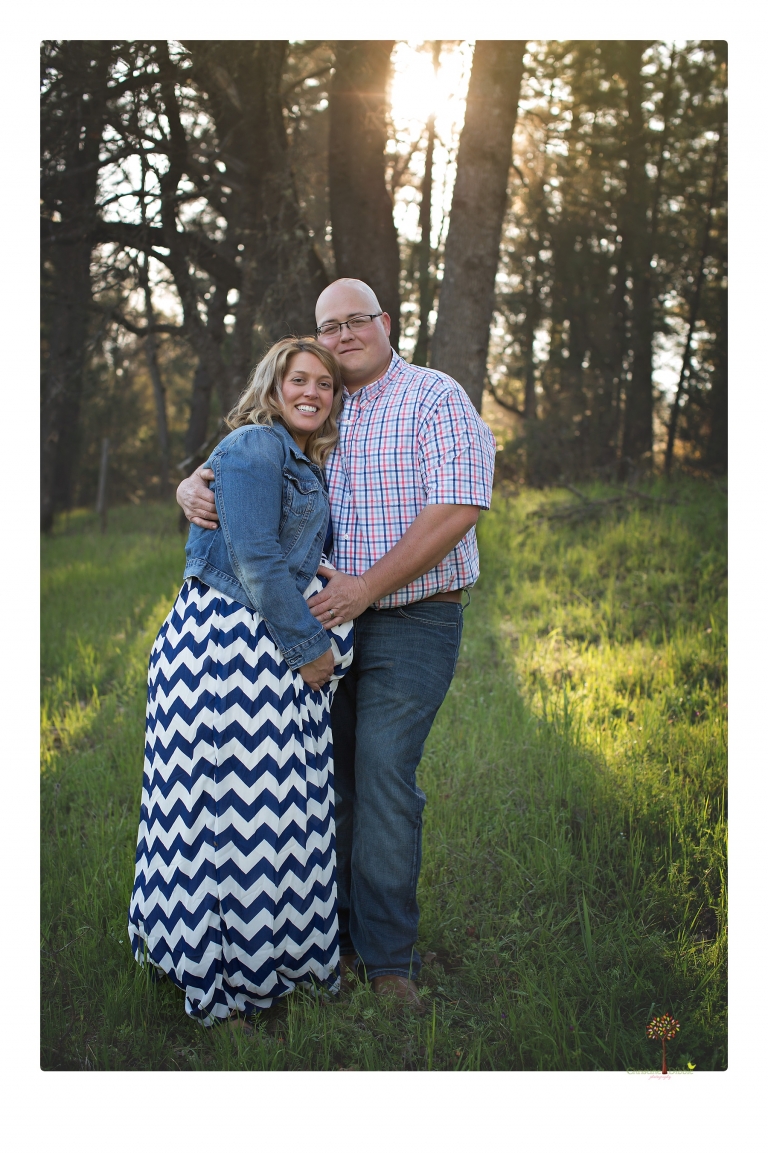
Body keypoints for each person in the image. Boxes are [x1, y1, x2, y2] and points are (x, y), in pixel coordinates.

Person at [178, 279, 496, 1010]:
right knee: (325, 781)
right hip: (319, 620)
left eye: (358, 320)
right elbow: (248, 471)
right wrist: (190, 485)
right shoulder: (318, 406)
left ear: (385, 323)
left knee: (382, 775)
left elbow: (459, 506)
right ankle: (332, 939)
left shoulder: (434, 396)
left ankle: (387, 960)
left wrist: (366, 588)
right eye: (330, 325)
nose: (345, 334)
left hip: (413, 617)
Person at [129, 337, 353, 1030]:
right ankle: (219, 976)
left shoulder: (295, 457)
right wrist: (310, 649)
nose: (312, 392)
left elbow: (274, 544)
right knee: (223, 819)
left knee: (272, 815)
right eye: (299, 380)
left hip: (256, 641)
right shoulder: (257, 444)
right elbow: (253, 556)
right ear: (273, 387)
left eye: (324, 383)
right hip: (225, 647)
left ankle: (271, 963)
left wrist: (323, 575)